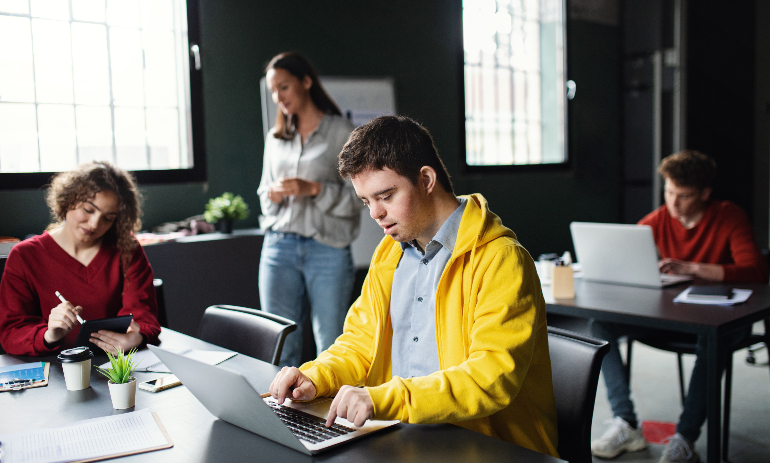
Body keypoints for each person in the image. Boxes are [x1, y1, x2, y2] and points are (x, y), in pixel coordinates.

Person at [268, 116, 559, 457]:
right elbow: (361, 342)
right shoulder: (389, 253)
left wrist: (385, 399)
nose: (375, 213)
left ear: (425, 179)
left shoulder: (502, 260)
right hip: (404, 436)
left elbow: (490, 378)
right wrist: (317, 376)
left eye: (386, 196)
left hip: (489, 447)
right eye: (366, 201)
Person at [590, 150, 768, 463]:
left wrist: (693, 268)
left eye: (683, 196)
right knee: (599, 325)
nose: (673, 203)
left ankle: (685, 438)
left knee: (711, 340)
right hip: (671, 316)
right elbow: (627, 251)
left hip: (723, 321)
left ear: (704, 194)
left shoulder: (729, 215)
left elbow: (756, 271)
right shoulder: (659, 219)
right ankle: (626, 422)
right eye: (669, 192)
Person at [257, 52, 361, 368]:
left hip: (328, 249)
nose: (278, 97)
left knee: (330, 344)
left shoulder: (343, 133)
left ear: (306, 82)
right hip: (279, 248)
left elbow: (360, 197)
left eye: (284, 87)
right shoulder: (275, 138)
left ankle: (328, 417)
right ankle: (283, 416)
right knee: (279, 344)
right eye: (273, 91)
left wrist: (313, 189)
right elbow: (263, 194)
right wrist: (274, 195)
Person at [0, 161, 161, 356]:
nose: (94, 224)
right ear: (68, 199)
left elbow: (144, 317)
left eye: (108, 218)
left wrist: (136, 337)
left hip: (115, 369)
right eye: (88, 209)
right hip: (55, 374)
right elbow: (11, 332)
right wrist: (49, 335)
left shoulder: (127, 249)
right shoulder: (24, 256)